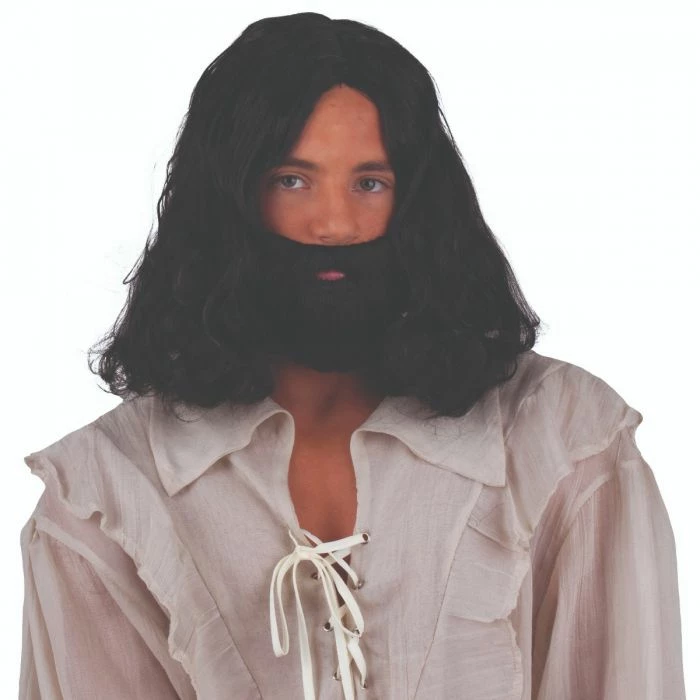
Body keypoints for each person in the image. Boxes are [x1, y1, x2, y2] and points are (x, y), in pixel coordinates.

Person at [18, 12, 686, 700]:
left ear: (417, 202)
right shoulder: (104, 497)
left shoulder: (564, 445)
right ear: (229, 201)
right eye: (291, 180)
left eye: (369, 183)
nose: (333, 224)